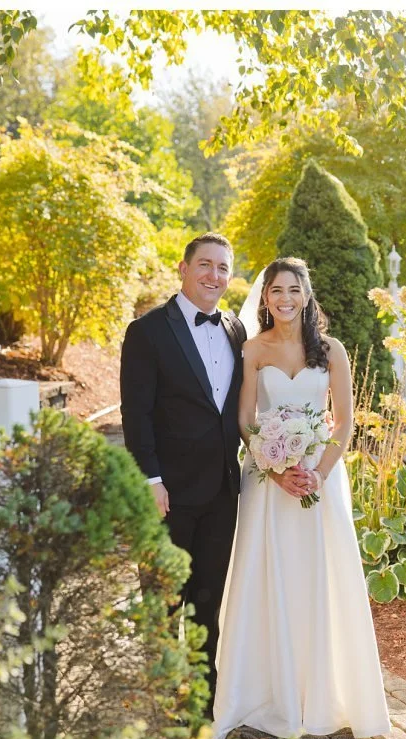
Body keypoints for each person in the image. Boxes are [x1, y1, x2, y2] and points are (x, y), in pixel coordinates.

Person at [211, 257, 390, 739]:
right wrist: (274, 465)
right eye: (275, 291)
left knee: (318, 578)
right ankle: (263, 691)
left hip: (319, 481)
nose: (284, 299)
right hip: (269, 483)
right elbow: (247, 419)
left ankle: (320, 693)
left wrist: (316, 472)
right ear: (265, 298)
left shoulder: (331, 351)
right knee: (265, 576)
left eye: (293, 290)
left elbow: (344, 422)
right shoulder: (252, 349)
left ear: (306, 296)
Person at [120, 232, 246, 699]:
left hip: (221, 492)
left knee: (207, 602)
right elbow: (136, 414)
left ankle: (201, 702)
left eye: (223, 268)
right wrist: (150, 479)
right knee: (162, 602)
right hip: (166, 493)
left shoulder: (236, 330)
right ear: (183, 267)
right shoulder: (147, 331)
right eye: (205, 265)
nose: (214, 275)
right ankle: (157, 701)